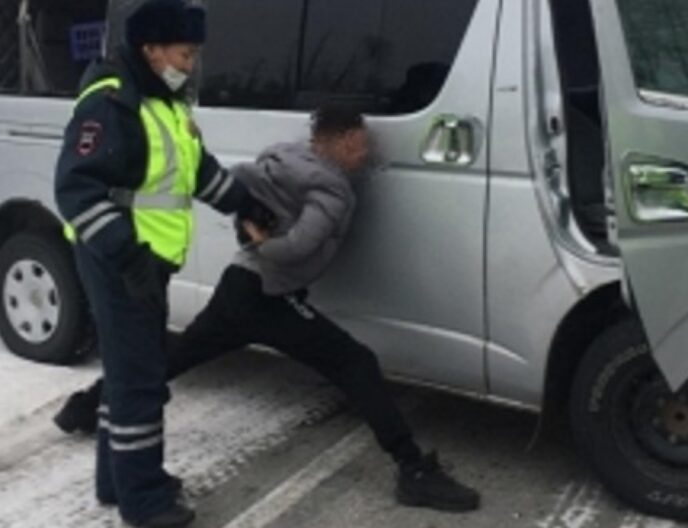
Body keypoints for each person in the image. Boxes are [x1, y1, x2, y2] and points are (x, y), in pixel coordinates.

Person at [56, 106, 482, 514]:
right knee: (356, 362)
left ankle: (85, 406)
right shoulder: (332, 190)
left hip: (239, 286)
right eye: (358, 144)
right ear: (338, 139)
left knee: (171, 358)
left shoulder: (283, 157)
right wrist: (265, 242)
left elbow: (239, 181)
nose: (364, 154)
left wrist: (250, 229)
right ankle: (413, 469)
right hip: (266, 295)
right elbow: (297, 247)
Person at [54, 0, 253, 528]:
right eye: (184, 55)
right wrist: (128, 257)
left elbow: (197, 171)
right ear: (151, 49)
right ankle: (145, 501)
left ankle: (118, 481)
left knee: (127, 373)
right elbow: (76, 191)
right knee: (140, 378)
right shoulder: (112, 102)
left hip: (148, 259)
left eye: (193, 56)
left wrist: (246, 204)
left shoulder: (165, 105)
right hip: (119, 259)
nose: (190, 66)